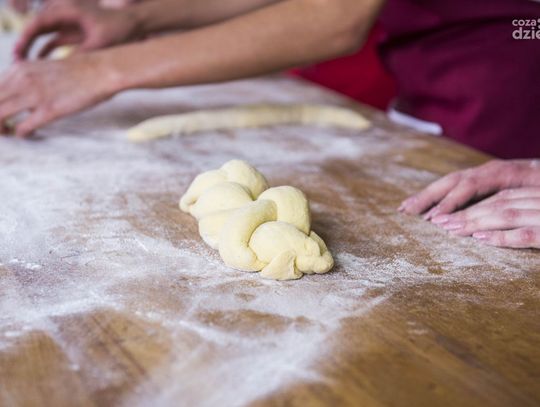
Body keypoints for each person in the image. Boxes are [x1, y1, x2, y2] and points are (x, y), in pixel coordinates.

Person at [2, 0, 540, 248]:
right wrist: (138, 17)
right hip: (435, 86)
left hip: (507, 93)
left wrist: (98, 72)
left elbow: (335, 17)